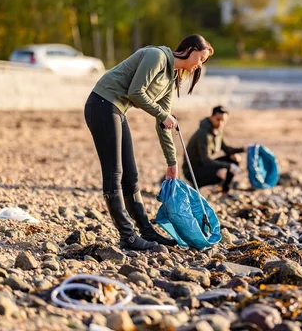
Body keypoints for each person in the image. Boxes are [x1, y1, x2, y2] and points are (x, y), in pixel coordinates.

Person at [84, 35, 214, 250]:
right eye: (201, 58)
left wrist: (171, 162)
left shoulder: (173, 77)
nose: (200, 64)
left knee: (131, 175)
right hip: (102, 105)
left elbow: (163, 120)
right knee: (114, 173)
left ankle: (146, 231)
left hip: (116, 110)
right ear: (190, 49)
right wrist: (163, 116)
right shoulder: (157, 56)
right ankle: (128, 236)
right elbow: (135, 92)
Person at [183, 106, 245, 197]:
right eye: (218, 119)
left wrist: (244, 149)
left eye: (223, 120)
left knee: (234, 158)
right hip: (193, 171)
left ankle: (225, 191)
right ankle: (194, 186)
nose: (221, 123)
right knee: (226, 168)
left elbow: (227, 149)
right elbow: (206, 160)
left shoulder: (217, 130)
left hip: (204, 165)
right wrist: (227, 166)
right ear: (212, 117)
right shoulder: (203, 133)